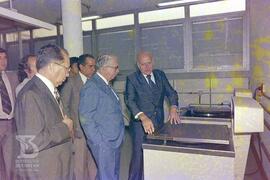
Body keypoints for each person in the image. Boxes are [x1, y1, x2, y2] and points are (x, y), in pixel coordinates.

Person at [15, 44, 74, 180]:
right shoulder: (31, 93)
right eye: (66, 68)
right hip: (46, 171)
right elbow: (31, 141)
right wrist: (65, 128)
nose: (68, 73)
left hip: (58, 165)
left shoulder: (49, 89)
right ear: (53, 66)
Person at [124, 51, 180, 180]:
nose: (147, 67)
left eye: (149, 63)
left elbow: (171, 93)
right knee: (138, 157)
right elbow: (130, 101)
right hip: (140, 125)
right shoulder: (132, 79)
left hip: (158, 122)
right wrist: (143, 117)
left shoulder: (160, 75)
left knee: (156, 154)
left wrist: (173, 107)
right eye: (143, 65)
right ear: (138, 65)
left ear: (153, 62)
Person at [79, 55, 124, 180]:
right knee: (108, 175)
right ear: (104, 68)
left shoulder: (105, 84)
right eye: (115, 67)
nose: (118, 70)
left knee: (109, 174)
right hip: (104, 142)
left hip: (113, 139)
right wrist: (99, 141)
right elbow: (85, 117)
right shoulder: (92, 86)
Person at [60, 54, 97, 180]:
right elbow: (64, 106)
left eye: (94, 66)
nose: (93, 69)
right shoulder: (70, 82)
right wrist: (71, 128)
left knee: (93, 163)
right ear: (81, 67)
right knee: (79, 165)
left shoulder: (95, 82)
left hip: (94, 132)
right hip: (79, 132)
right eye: (90, 66)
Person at [0, 48, 19, 180]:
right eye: (0, 58)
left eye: (5, 58)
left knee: (10, 161)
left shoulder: (12, 76)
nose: (3, 61)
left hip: (11, 124)